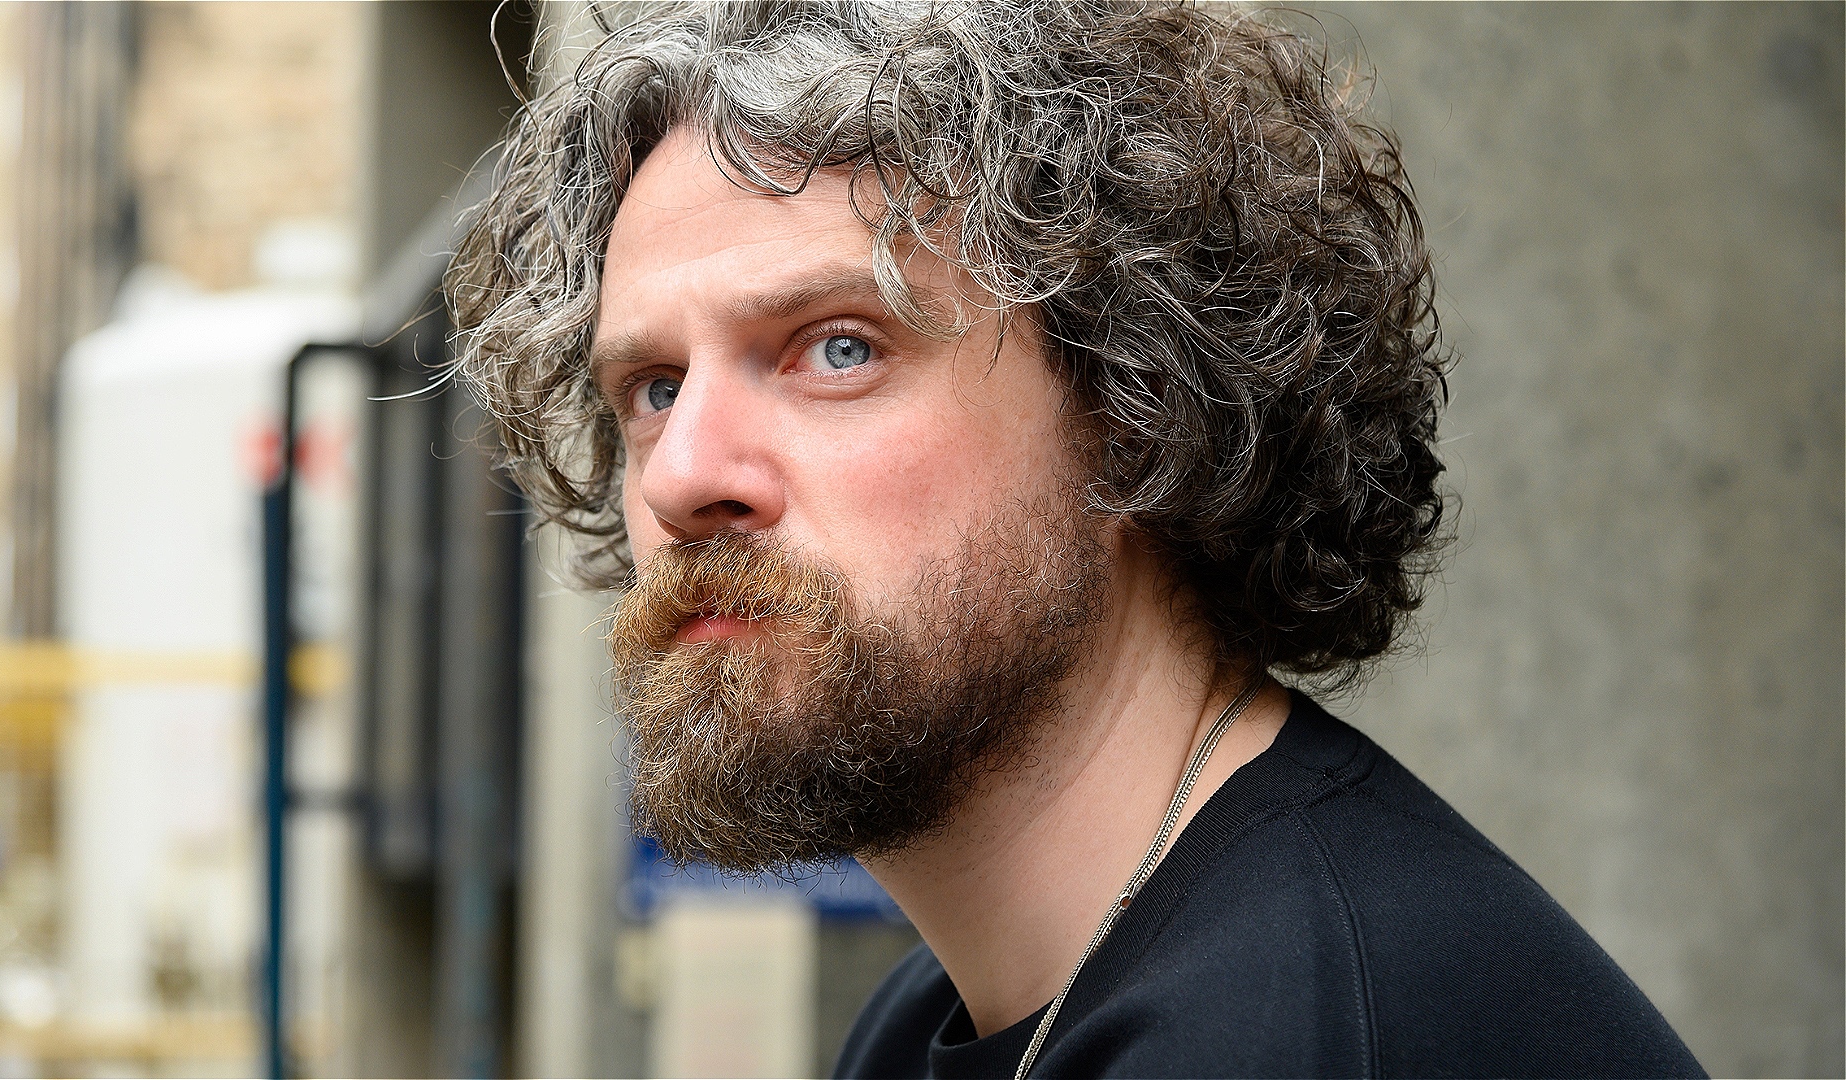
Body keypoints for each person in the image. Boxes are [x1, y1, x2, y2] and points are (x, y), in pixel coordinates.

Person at [447, 2, 1704, 1076]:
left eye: (839, 347)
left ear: (1134, 411)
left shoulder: (1291, 1033)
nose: (682, 476)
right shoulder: (928, 1019)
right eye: (655, 387)